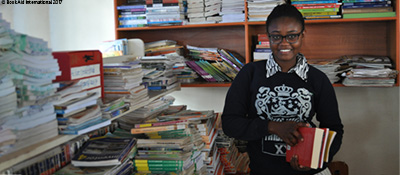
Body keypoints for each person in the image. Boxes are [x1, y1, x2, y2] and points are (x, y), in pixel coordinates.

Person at [221, 3, 344, 175]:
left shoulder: (317, 79)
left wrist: (317, 160)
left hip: (310, 170)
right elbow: (230, 124)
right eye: (276, 37)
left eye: (292, 36)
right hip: (263, 170)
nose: (284, 43)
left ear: (302, 35)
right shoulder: (250, 74)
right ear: (268, 37)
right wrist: (272, 127)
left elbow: (334, 129)